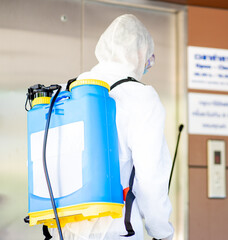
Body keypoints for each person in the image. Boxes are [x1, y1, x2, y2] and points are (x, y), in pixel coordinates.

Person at [50, 14, 174, 240]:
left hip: (65, 229)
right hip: (116, 229)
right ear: (139, 52)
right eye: (149, 57)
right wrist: (162, 232)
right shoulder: (141, 96)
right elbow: (151, 179)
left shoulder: (69, 89)